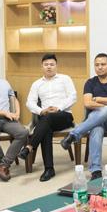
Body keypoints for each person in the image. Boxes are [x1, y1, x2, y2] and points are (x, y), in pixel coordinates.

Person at [59, 53, 107, 180]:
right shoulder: (90, 82)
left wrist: (98, 99)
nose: (100, 67)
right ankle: (96, 171)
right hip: (95, 119)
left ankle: (74, 134)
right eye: (97, 65)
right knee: (96, 128)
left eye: (103, 64)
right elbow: (87, 103)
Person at [23, 53, 77, 182]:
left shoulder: (65, 79)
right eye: (46, 64)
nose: (49, 67)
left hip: (64, 115)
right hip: (46, 117)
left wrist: (59, 108)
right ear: (42, 66)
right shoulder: (37, 84)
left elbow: (73, 96)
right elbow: (29, 102)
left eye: (52, 64)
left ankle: (30, 147)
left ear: (56, 66)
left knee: (46, 120)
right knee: (46, 127)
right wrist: (41, 111)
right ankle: (49, 169)